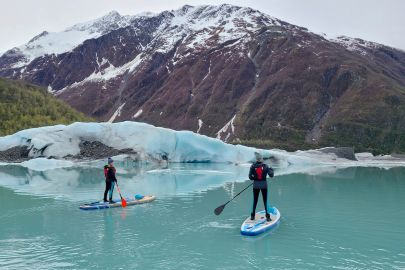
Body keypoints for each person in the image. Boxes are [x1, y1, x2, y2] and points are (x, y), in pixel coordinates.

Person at [249, 152, 274, 222]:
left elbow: (250, 177)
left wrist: (255, 178)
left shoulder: (252, 166)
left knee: (255, 200)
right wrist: (271, 169)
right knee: (265, 201)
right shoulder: (265, 166)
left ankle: (252, 216)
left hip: (255, 185)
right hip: (264, 185)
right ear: (261, 159)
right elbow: (271, 175)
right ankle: (268, 217)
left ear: (256, 159)